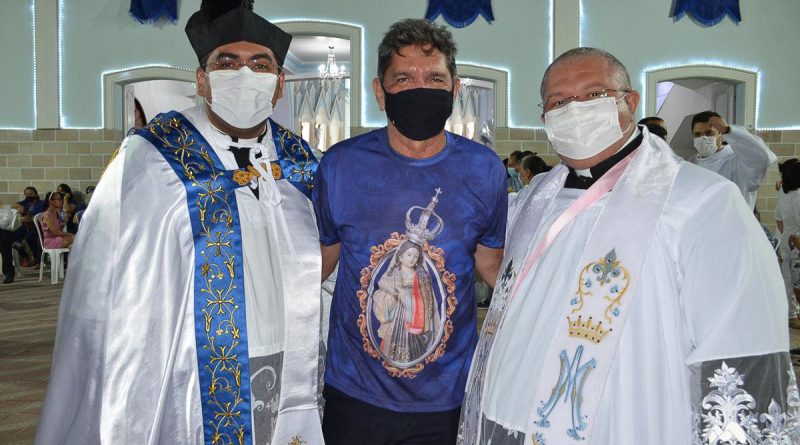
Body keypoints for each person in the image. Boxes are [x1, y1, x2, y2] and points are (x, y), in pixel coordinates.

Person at [459, 47, 798, 445]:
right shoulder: (536, 199)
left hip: (626, 422)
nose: (575, 109)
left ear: (630, 102)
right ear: (545, 117)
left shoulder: (700, 201)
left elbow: (740, 342)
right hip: (508, 415)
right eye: (559, 101)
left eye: (593, 94)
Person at [35, 1, 325, 444]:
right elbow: (107, 283)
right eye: (226, 63)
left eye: (260, 64)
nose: (244, 74)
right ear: (202, 79)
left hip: (290, 353)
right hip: (192, 367)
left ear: (279, 84)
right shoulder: (152, 156)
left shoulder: (303, 162)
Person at [314, 18, 507, 444]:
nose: (421, 88)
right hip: (355, 392)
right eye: (404, 78)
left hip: (448, 394)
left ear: (455, 89)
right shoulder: (341, 165)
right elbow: (319, 264)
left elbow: (493, 267)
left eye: (435, 78)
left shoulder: (485, 170)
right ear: (380, 91)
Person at [691, 110, 776, 210]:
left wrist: (728, 130)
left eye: (709, 133)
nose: (703, 138)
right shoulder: (693, 162)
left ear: (720, 134)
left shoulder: (738, 160)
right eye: (697, 134)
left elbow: (763, 158)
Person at [775, 159, 800, 330]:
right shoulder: (797, 197)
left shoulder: (783, 193)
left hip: (785, 242)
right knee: (796, 283)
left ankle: (791, 315)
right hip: (796, 245)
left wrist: (787, 235)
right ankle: (793, 316)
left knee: (787, 281)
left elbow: (778, 219)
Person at [11, 186, 47, 267]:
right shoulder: (24, 203)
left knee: (29, 237)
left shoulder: (42, 203)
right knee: (13, 237)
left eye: (31, 194)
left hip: (38, 226)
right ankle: (24, 256)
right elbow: (12, 205)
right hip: (26, 225)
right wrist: (19, 206)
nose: (28, 196)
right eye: (26, 194)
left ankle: (36, 257)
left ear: (36, 194)